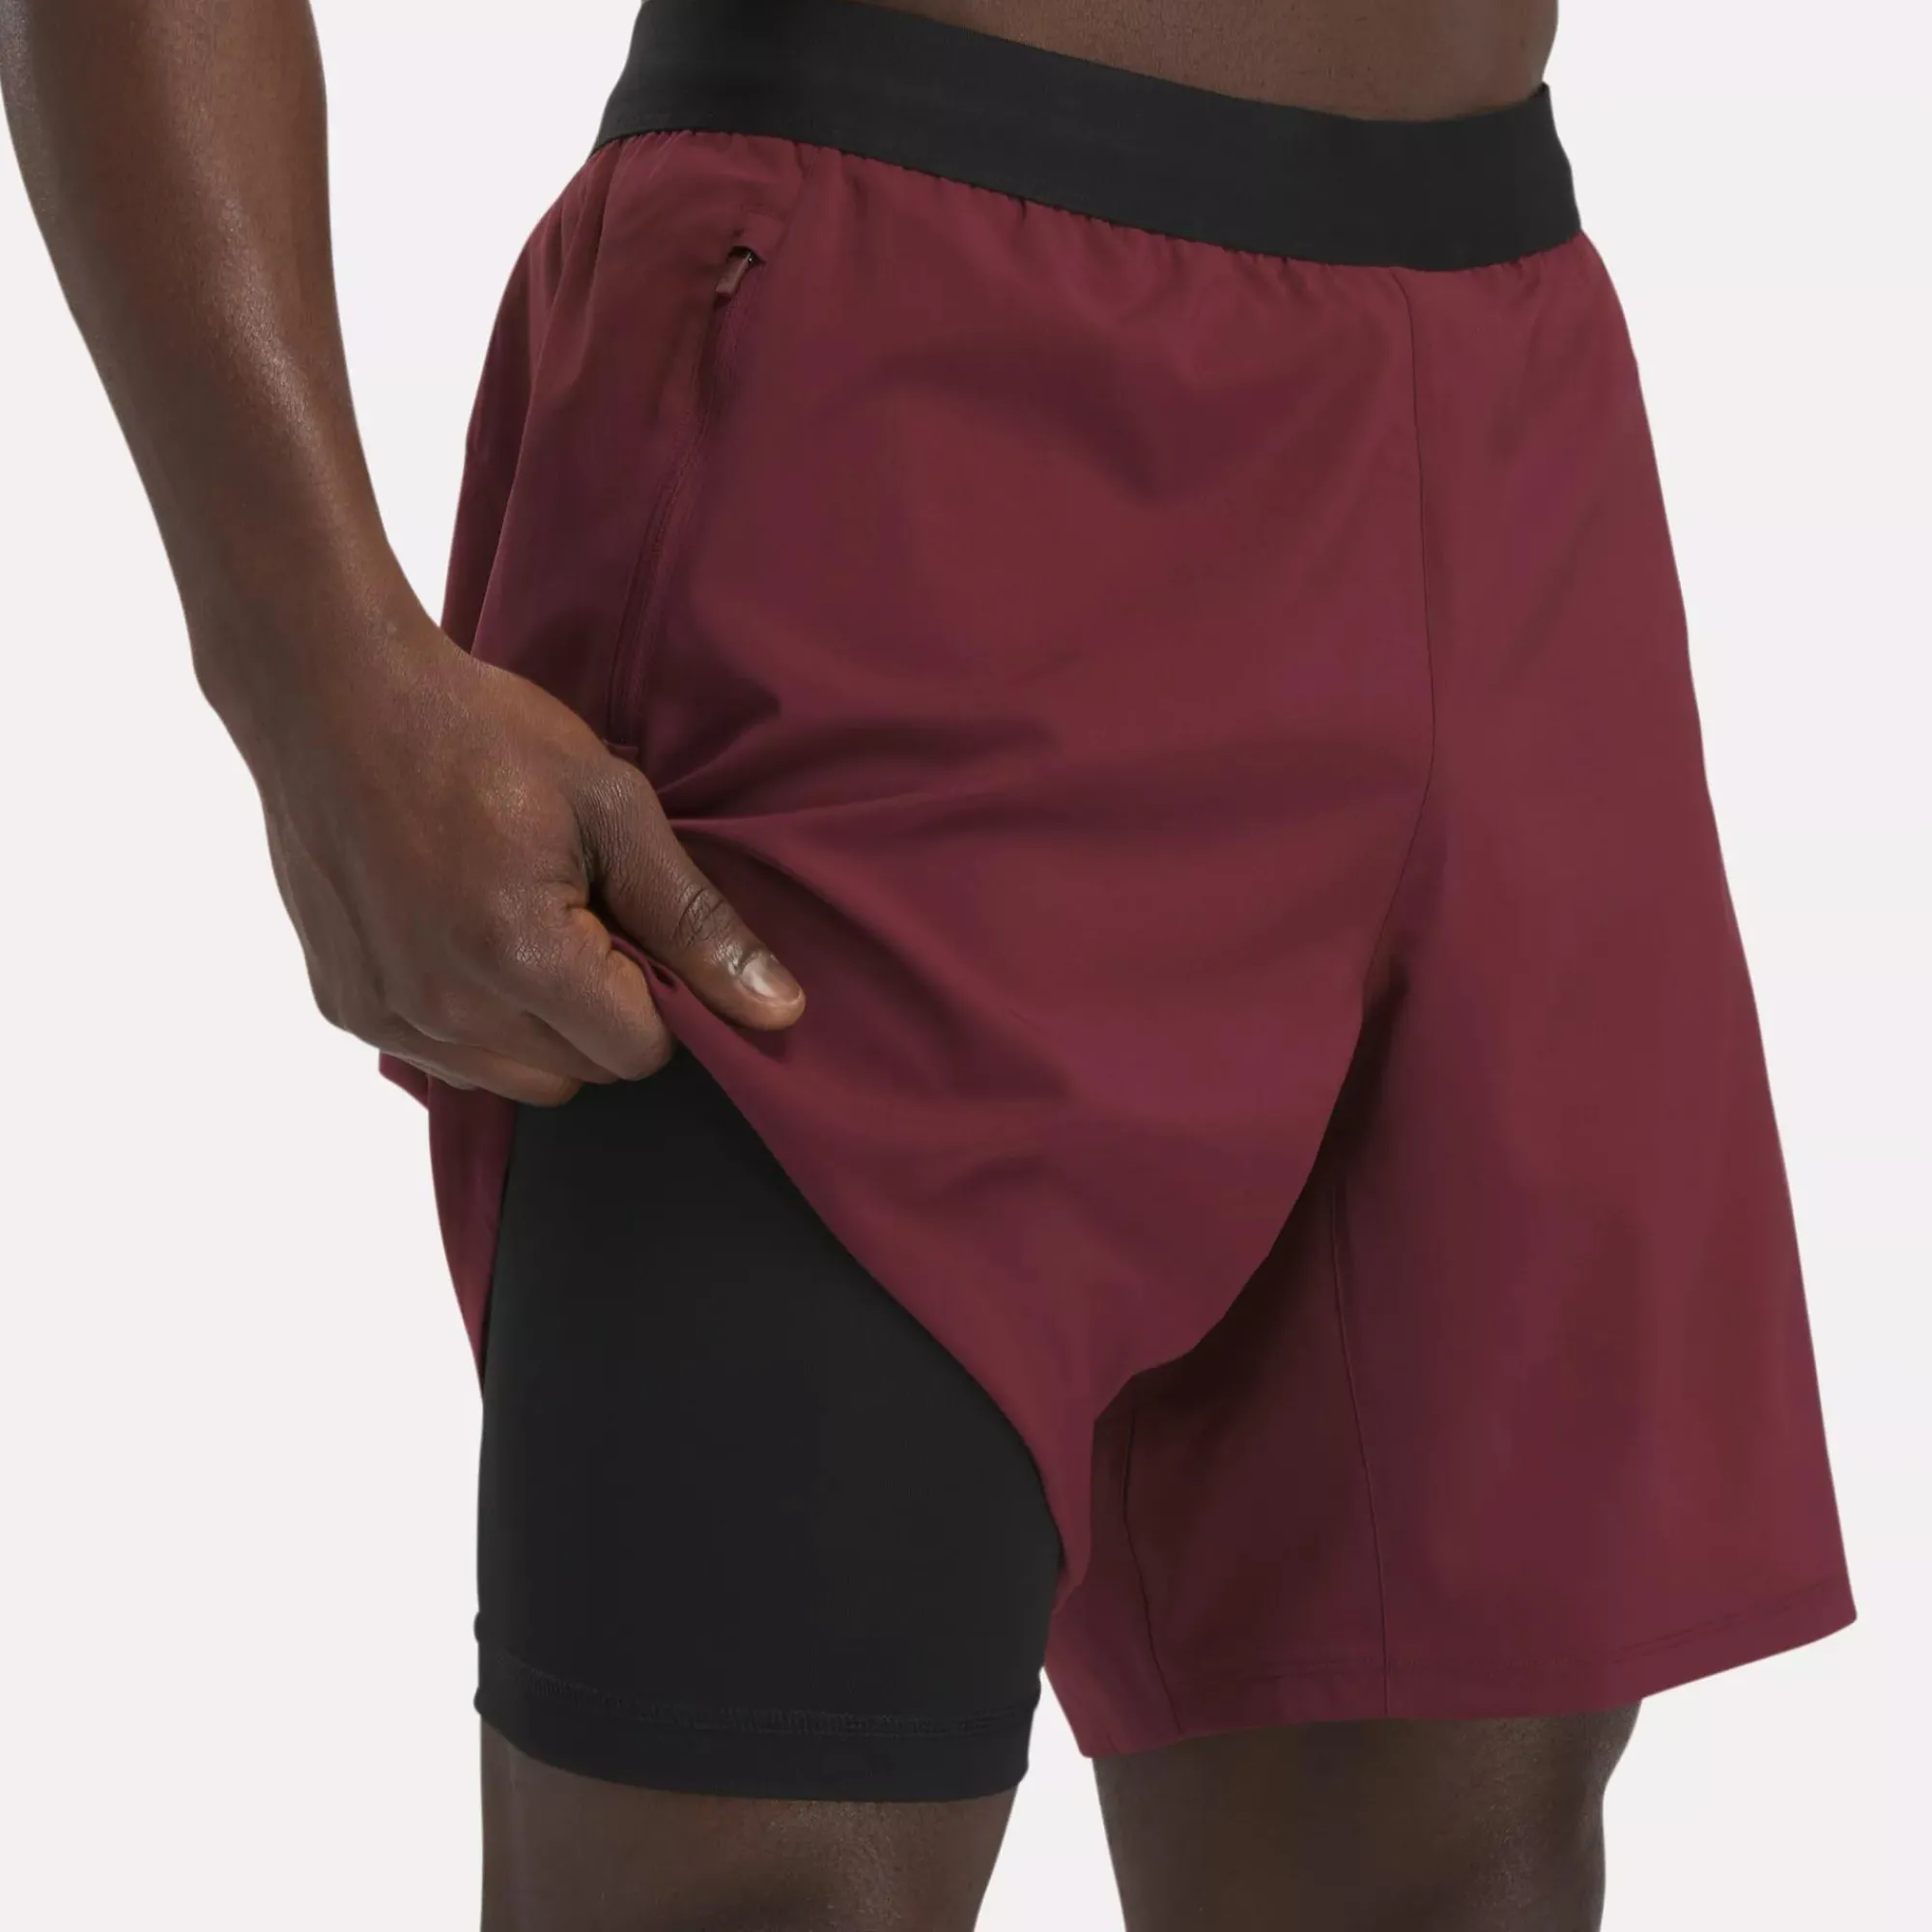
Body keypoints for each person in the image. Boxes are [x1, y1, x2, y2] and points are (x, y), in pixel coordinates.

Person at [3, 0, 1856, 1924]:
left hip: (1511, 391)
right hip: (897, 361)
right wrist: (307, 665)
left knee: (1444, 1839)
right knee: (756, 1851)